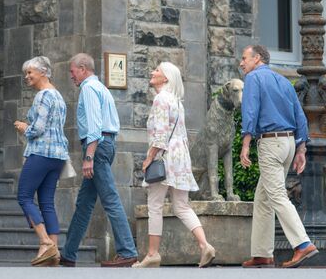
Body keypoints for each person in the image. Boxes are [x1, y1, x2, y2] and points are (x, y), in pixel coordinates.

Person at [238, 44, 318, 268]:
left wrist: (245, 144)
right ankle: (262, 254)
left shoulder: (254, 78)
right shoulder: (283, 81)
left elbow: (250, 110)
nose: (241, 63)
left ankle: (303, 244)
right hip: (289, 143)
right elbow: (299, 115)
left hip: (271, 142)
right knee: (263, 198)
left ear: (258, 59)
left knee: (276, 195)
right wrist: (301, 149)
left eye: (245, 58)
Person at [134, 61, 216, 268]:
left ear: (166, 78)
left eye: (157, 70)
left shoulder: (161, 99)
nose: (152, 72)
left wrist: (149, 158)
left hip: (165, 156)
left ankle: (152, 254)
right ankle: (205, 245)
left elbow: (160, 135)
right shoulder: (176, 102)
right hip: (180, 157)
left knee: (155, 205)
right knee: (181, 206)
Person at [60, 53, 139, 267]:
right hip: (106, 144)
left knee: (110, 199)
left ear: (83, 68)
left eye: (73, 71)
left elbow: (94, 125)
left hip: (97, 146)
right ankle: (68, 254)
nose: (71, 76)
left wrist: (88, 157)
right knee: (84, 203)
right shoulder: (101, 87)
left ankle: (127, 251)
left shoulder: (88, 88)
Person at [13, 56, 69, 267]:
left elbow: (38, 129)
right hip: (58, 156)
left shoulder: (43, 96)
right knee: (46, 203)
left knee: (24, 197)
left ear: (43, 73)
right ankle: (52, 253)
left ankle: (45, 242)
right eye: (26, 72)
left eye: (30, 72)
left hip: (42, 153)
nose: (27, 76)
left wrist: (23, 127)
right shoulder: (59, 96)